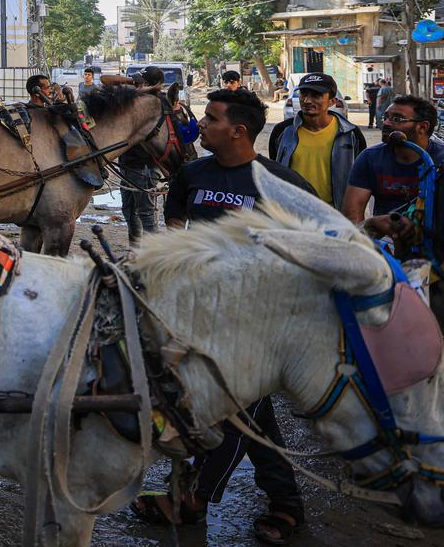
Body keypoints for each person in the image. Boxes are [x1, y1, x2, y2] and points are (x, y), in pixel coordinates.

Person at [134, 88, 310, 544]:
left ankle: (192, 497)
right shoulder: (190, 174)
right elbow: (173, 241)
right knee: (252, 410)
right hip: (200, 315)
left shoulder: (280, 183)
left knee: (233, 408)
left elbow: (313, 248)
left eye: (210, 118)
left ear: (238, 130)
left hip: (257, 319)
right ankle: (286, 502)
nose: (200, 124)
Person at [343, 94, 444, 325]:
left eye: (397, 118)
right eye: (386, 116)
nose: (386, 123)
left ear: (422, 127)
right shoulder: (370, 158)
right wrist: (369, 230)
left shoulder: (440, 159)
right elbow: (352, 215)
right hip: (385, 250)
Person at [267, 72, 366, 208]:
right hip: (292, 214)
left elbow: (360, 179)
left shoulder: (350, 134)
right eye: (304, 94)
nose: (307, 100)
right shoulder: (283, 132)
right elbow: (276, 171)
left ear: (332, 101)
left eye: (316, 95)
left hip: (335, 216)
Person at [117, 67, 166, 248]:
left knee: (146, 212)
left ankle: (152, 254)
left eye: (141, 82)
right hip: (127, 164)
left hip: (144, 167)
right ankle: (135, 250)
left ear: (152, 86)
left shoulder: (156, 105)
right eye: (136, 82)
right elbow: (107, 81)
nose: (136, 85)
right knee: (129, 211)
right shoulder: (137, 101)